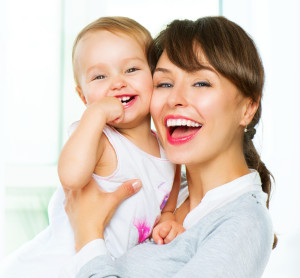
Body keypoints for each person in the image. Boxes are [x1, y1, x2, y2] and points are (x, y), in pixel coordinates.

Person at [63, 16, 277, 278]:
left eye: (201, 83)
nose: (175, 98)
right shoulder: (160, 187)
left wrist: (88, 238)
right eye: (164, 83)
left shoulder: (243, 223)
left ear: (247, 109)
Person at [0, 16, 183, 278]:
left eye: (131, 69)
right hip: (55, 267)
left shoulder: (168, 148)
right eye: (99, 76)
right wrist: (95, 116)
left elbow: (168, 203)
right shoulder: (98, 137)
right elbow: (71, 177)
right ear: (83, 96)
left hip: (101, 267)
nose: (117, 82)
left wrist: (167, 219)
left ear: (154, 76)